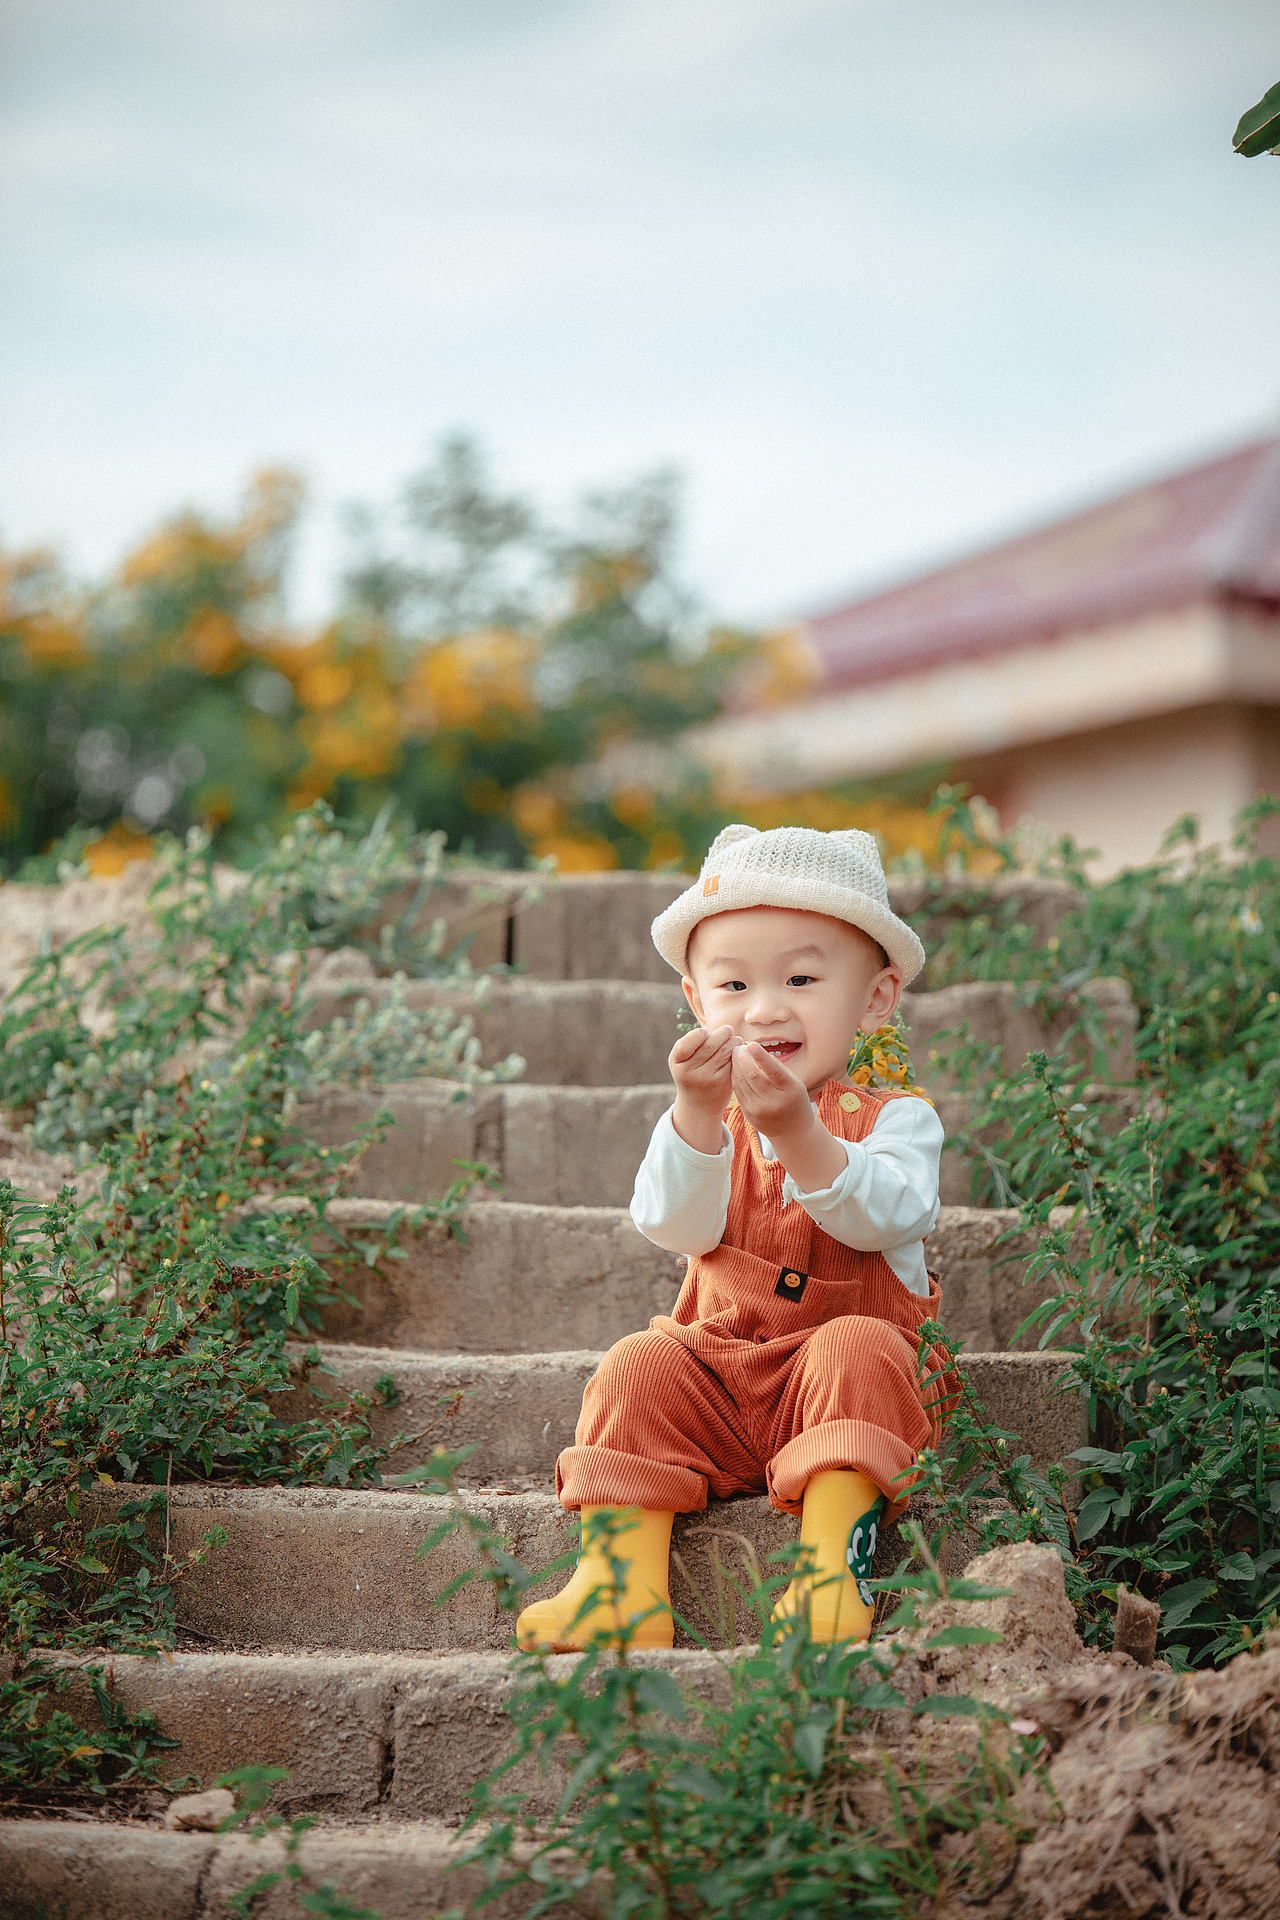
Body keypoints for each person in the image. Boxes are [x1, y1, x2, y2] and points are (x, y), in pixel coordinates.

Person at [516, 824, 952, 1652]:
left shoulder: (898, 1122)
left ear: (875, 999)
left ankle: (832, 1579)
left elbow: (890, 1212)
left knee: (859, 1345)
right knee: (638, 1363)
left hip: (844, 1398)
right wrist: (694, 1114)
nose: (765, 1008)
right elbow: (671, 1224)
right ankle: (617, 1589)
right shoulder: (703, 1122)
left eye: (801, 978)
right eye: (734, 984)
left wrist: (798, 1134)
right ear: (695, 1000)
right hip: (721, 1391)